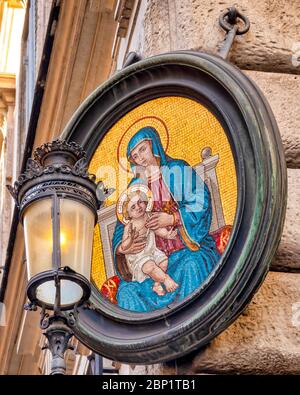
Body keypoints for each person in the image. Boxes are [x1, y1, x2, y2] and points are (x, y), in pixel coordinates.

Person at [112, 126, 220, 312]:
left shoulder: (177, 169)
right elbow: (121, 227)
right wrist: (123, 247)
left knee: (192, 265)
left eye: (143, 149)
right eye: (135, 156)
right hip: (149, 262)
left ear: (154, 145)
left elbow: (200, 200)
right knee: (126, 292)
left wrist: (172, 219)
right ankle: (145, 337)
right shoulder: (135, 187)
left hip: (185, 251)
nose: (141, 157)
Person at [119, 188, 179, 296]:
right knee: (150, 266)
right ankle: (166, 280)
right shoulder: (129, 226)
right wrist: (130, 239)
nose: (138, 207)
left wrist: (166, 234)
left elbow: (157, 228)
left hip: (151, 251)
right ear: (128, 214)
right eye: (133, 207)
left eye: (140, 202)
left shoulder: (148, 216)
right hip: (138, 257)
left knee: (163, 262)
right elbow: (124, 246)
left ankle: (156, 283)